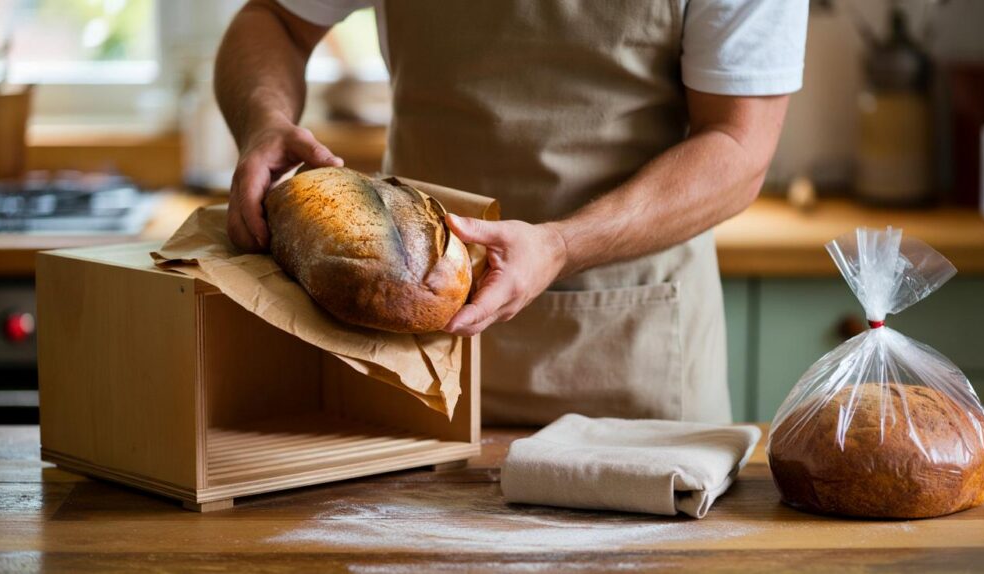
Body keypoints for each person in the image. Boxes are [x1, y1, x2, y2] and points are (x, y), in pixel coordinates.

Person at [215, 0, 809, 425]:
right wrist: (264, 119)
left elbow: (738, 145)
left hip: (629, 360)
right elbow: (274, 21)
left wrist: (563, 244)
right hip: (407, 351)